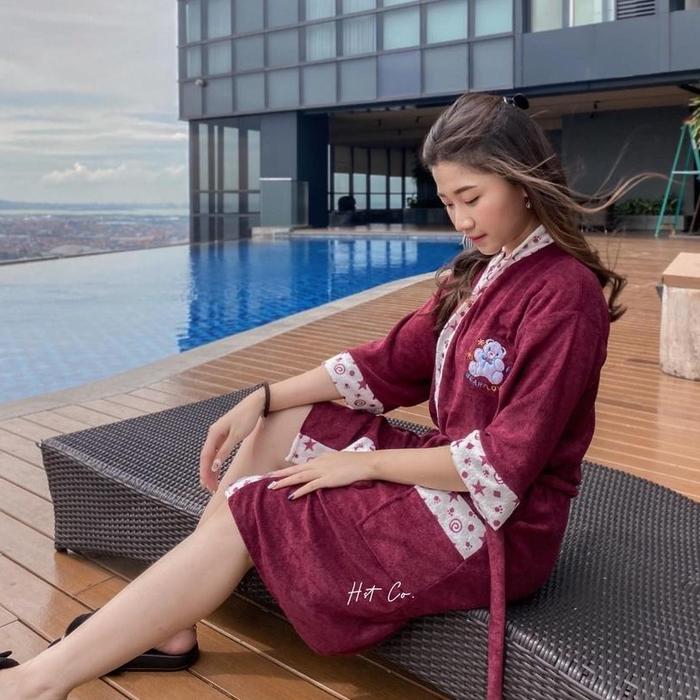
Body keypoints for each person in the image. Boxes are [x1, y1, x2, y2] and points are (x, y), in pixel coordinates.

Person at [0, 92, 652, 700]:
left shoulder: (563, 297)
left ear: (522, 180)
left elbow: (503, 467)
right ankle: (171, 623)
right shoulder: (480, 270)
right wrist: (261, 396)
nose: (460, 220)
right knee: (285, 419)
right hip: (447, 476)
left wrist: (363, 466)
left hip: (496, 529)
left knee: (255, 504)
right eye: (448, 201)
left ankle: (38, 683)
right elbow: (389, 364)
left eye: (471, 198)